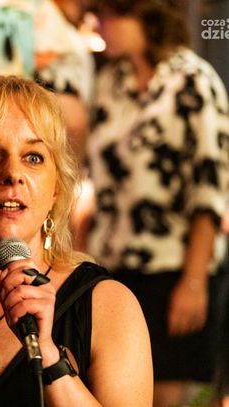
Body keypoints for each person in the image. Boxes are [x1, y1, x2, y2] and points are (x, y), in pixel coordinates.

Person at [0, 75, 153, 406]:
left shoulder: (109, 305)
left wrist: (48, 355)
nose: (12, 174)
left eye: (33, 157)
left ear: (56, 188)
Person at [85, 1, 229, 406]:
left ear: (141, 15)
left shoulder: (193, 80)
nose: (98, 25)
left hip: (174, 268)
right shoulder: (110, 81)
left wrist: (194, 281)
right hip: (112, 268)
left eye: (106, 15)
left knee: (165, 395)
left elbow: (209, 189)